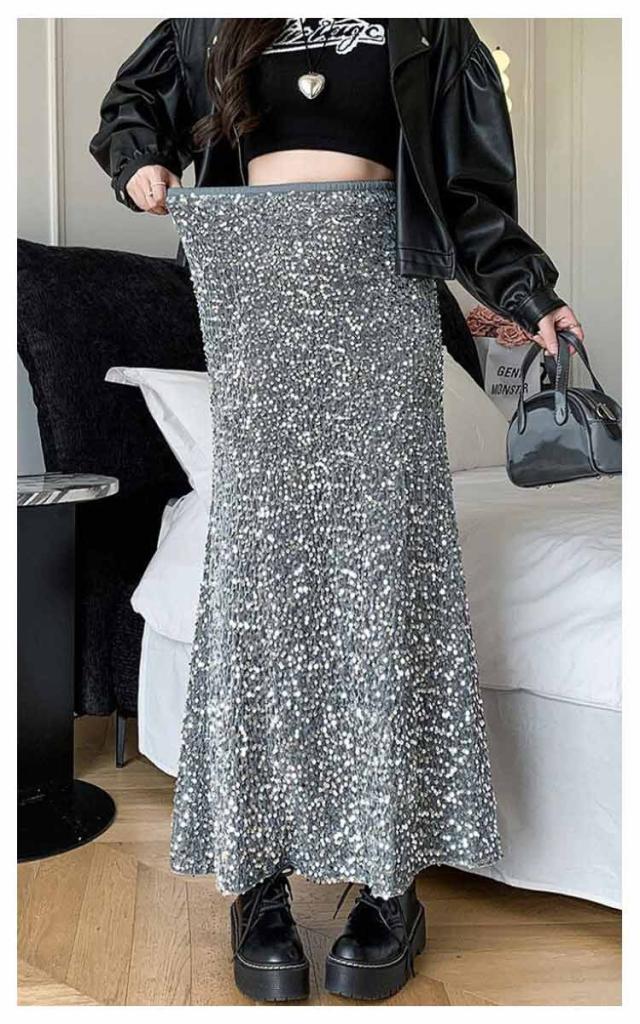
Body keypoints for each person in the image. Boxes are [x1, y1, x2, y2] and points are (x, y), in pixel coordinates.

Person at [91, 18, 585, 1003]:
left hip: (381, 292)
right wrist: (141, 161)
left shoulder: (431, 26)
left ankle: (390, 879)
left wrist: (529, 296)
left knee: (382, 574)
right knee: (263, 585)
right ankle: (258, 875)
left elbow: (470, 192)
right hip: (252, 290)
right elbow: (131, 106)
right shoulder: (210, 19)